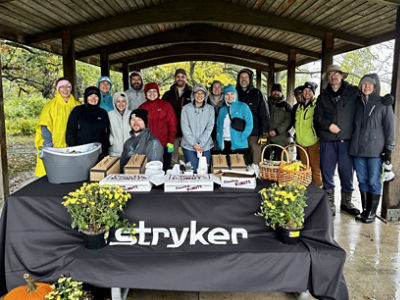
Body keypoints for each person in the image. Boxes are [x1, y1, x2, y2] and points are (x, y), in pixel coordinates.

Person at [350, 74, 395, 223]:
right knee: (361, 180)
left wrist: (388, 149)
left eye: (370, 84)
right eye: (364, 84)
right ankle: (365, 210)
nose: (366, 86)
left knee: (374, 181)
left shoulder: (383, 103)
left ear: (375, 86)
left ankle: (372, 213)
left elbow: (390, 128)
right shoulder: (356, 103)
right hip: (358, 149)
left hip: (375, 150)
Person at [34, 78, 80, 177]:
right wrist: (48, 147)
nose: (65, 89)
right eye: (62, 87)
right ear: (58, 89)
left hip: (73, 146)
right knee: (55, 175)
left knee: (72, 175)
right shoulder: (50, 106)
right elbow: (44, 127)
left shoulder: (77, 105)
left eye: (68, 86)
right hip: (56, 146)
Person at [139, 82, 177, 171]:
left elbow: (172, 124)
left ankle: (164, 185)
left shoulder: (166, 105)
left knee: (165, 169)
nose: (152, 94)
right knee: (151, 170)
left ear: (158, 92)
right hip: (149, 146)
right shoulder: (142, 108)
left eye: (154, 91)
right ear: (145, 93)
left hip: (166, 144)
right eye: (149, 91)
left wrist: (170, 142)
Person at [236, 68, 269, 164]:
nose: (243, 79)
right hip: (239, 133)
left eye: (246, 77)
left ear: (250, 79)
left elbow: (264, 114)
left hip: (254, 133)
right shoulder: (234, 93)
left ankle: (256, 177)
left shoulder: (257, 93)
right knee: (241, 160)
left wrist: (263, 133)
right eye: (241, 77)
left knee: (255, 159)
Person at [66, 86, 110, 156]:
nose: (93, 98)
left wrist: (104, 150)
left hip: (98, 153)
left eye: (96, 96)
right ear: (86, 97)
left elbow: (106, 133)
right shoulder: (78, 110)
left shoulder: (103, 113)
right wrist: (75, 150)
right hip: (80, 153)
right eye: (90, 95)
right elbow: (70, 133)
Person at [292, 82, 322, 187]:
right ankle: (306, 189)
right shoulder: (299, 107)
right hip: (301, 143)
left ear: (313, 93)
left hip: (313, 142)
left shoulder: (317, 105)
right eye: (305, 91)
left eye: (310, 91)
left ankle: (317, 190)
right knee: (304, 169)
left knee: (315, 169)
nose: (307, 93)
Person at [181, 84, 215, 172]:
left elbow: (209, 128)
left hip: (205, 146)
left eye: (202, 93)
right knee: (194, 170)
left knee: (204, 171)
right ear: (193, 94)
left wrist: (200, 143)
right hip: (189, 146)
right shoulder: (186, 109)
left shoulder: (210, 109)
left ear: (205, 95)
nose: (199, 96)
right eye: (197, 93)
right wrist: (194, 144)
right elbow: (185, 128)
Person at [162, 68, 192, 166]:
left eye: (183, 77)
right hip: (172, 134)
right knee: (172, 158)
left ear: (186, 79)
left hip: (187, 133)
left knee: (189, 158)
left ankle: (189, 178)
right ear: (175, 78)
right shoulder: (167, 95)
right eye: (178, 77)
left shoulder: (192, 94)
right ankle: (172, 176)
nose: (180, 79)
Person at [216, 84, 253, 157]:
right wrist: (219, 140)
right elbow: (218, 126)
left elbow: (249, 124)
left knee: (239, 167)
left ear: (235, 94)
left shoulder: (243, 106)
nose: (230, 97)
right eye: (227, 94)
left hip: (239, 144)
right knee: (225, 167)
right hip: (224, 144)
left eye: (232, 94)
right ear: (224, 96)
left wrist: (242, 137)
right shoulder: (222, 110)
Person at [266, 83, 293, 160]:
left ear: (281, 93)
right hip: (267, 139)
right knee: (265, 163)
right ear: (271, 92)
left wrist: (277, 131)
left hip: (281, 140)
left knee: (279, 163)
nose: (276, 93)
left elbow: (289, 121)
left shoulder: (286, 105)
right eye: (274, 91)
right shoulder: (265, 104)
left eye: (278, 91)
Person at [108, 92, 132, 157]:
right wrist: (111, 141)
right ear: (114, 103)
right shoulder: (109, 115)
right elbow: (106, 132)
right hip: (114, 152)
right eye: (118, 101)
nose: (121, 104)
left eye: (123, 101)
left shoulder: (131, 114)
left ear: (126, 102)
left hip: (130, 152)